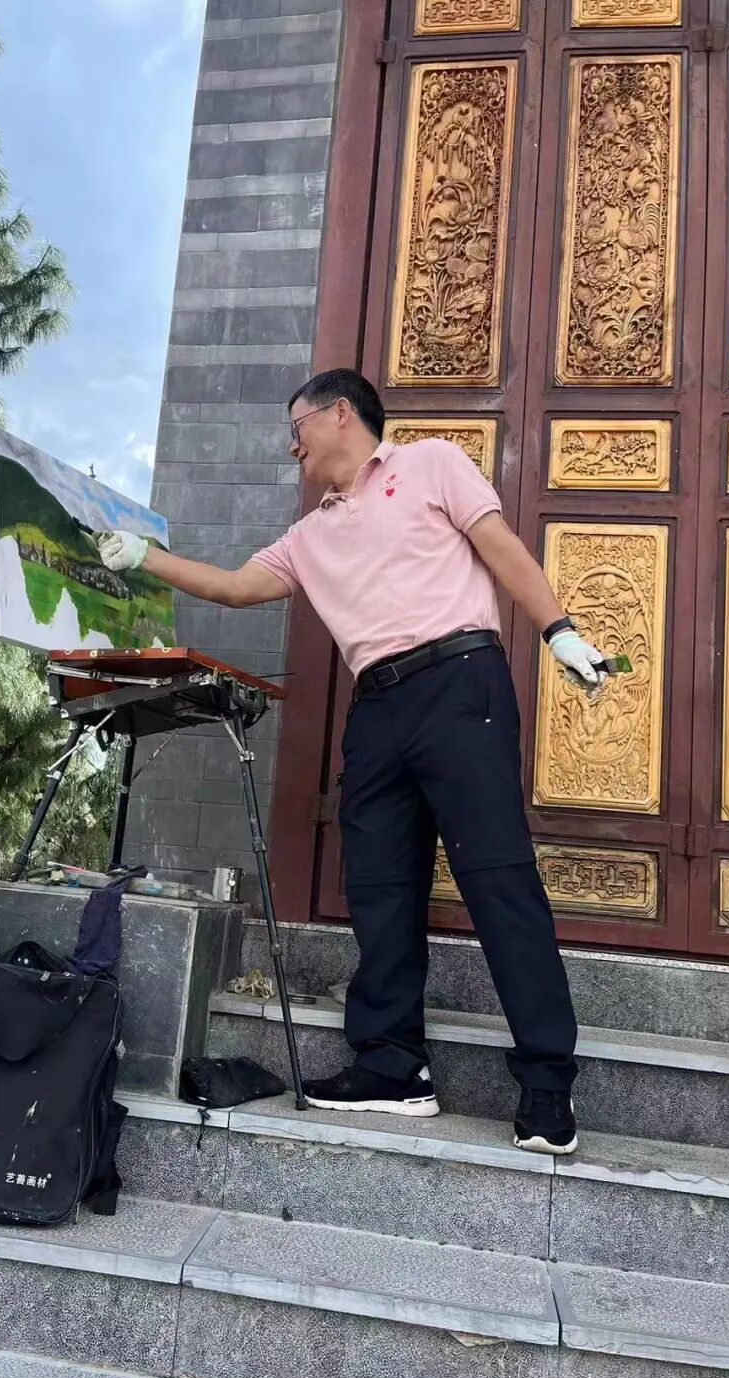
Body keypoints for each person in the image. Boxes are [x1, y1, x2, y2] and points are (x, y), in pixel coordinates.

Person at [96, 368, 604, 1155]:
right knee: (378, 886)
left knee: (498, 878)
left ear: (340, 414)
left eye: (295, 426)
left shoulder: (432, 463)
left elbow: (500, 547)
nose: (290, 446)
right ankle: (393, 1067)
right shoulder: (309, 536)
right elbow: (233, 587)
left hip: (461, 682)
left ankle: (546, 1085)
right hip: (378, 709)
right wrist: (142, 557)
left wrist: (558, 631)